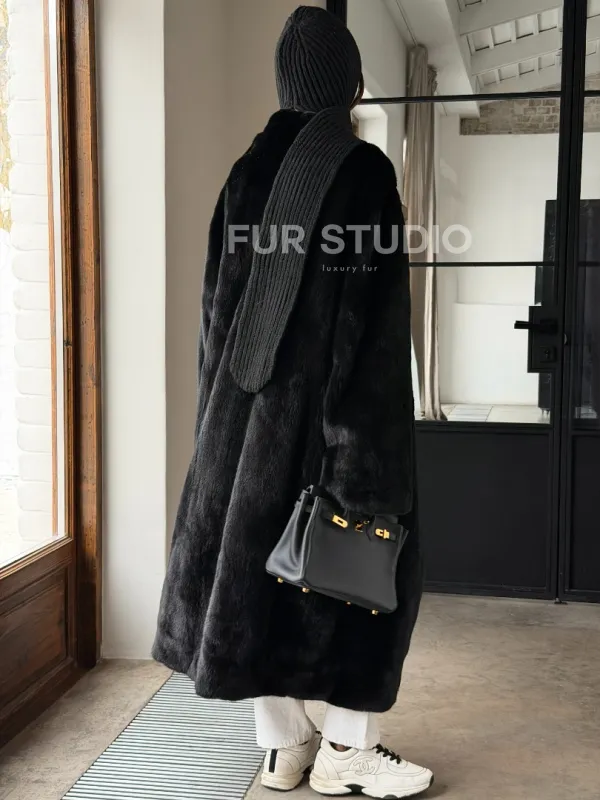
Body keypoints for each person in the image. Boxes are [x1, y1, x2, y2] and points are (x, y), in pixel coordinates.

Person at [153, 7, 432, 798]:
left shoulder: (246, 171)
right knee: (365, 582)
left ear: (284, 84)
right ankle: (346, 750)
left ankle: (284, 748)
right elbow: (373, 339)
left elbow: (213, 318)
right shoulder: (361, 172)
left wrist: (217, 429)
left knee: (255, 582)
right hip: (324, 430)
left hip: (238, 427)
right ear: (351, 84)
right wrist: (364, 460)